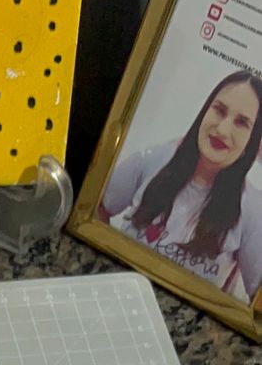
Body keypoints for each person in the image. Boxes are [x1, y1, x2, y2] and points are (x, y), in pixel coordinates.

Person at [100, 72, 262, 300]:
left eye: (241, 123)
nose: (223, 129)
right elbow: (95, 209)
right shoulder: (153, 159)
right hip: (119, 296)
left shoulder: (252, 210)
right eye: (219, 110)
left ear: (252, 142)